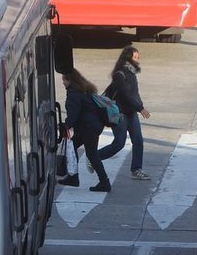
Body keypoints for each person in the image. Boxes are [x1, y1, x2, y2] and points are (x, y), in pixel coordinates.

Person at [97, 46, 150, 180]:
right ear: (128, 58)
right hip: (120, 114)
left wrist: (140, 105)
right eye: (135, 57)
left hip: (131, 112)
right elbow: (125, 94)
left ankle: (137, 169)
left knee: (138, 141)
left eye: (138, 57)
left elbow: (134, 93)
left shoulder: (131, 73)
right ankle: (95, 157)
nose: (138, 60)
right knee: (119, 143)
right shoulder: (120, 74)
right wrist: (140, 108)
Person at [63, 68, 110, 193]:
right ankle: (73, 177)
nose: (63, 83)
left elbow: (74, 114)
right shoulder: (84, 90)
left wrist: (66, 125)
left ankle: (104, 182)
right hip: (90, 126)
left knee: (92, 154)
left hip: (88, 128)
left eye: (64, 80)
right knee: (72, 146)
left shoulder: (74, 94)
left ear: (69, 80)